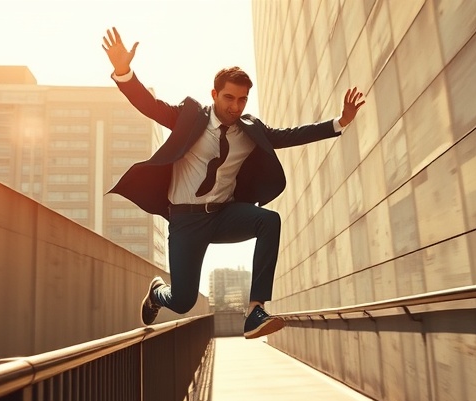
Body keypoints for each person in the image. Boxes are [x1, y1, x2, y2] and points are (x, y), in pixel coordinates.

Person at [102, 27, 365, 339]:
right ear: (214, 95)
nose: (235, 107)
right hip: (186, 220)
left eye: (242, 100)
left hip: (223, 216)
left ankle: (255, 310)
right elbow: (150, 105)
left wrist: (341, 121)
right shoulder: (190, 116)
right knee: (183, 300)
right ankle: (158, 293)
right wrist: (123, 71)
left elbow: (290, 135)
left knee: (269, 221)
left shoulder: (250, 129)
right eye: (228, 98)